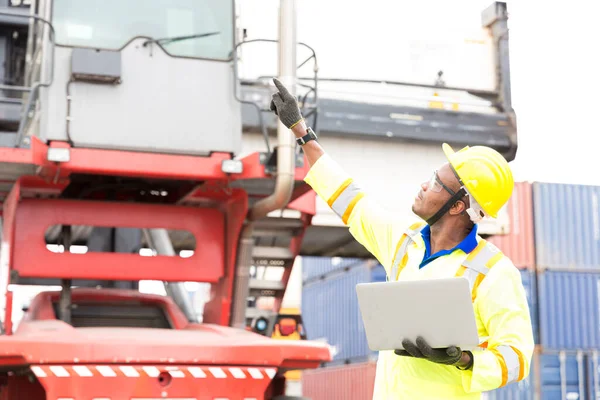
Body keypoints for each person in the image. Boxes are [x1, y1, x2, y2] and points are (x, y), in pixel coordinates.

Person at [269, 78, 534, 399]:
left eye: (437, 183)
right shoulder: (405, 242)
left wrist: (462, 358)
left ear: (459, 206)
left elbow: (518, 357)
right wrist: (301, 131)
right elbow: (349, 198)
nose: (424, 185)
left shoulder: (492, 271)